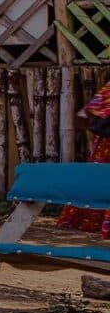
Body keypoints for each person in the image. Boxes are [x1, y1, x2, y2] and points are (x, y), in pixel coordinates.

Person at [57, 80, 110, 239]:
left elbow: (84, 115)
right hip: (106, 145)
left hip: (104, 144)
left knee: (97, 179)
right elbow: (85, 115)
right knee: (99, 180)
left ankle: (87, 221)